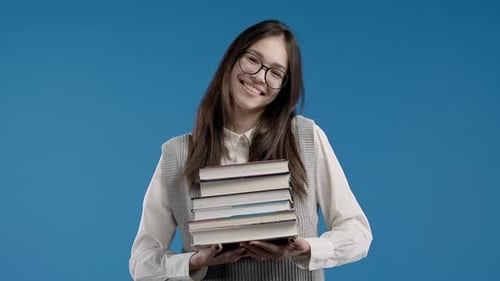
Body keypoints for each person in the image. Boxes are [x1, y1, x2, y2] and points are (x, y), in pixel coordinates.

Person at [129, 19, 372, 281]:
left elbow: (357, 232)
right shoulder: (177, 155)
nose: (259, 77)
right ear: (232, 59)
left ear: (284, 87)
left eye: (276, 73)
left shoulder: (305, 138)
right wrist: (193, 262)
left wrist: (308, 249)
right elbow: (141, 262)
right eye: (253, 60)